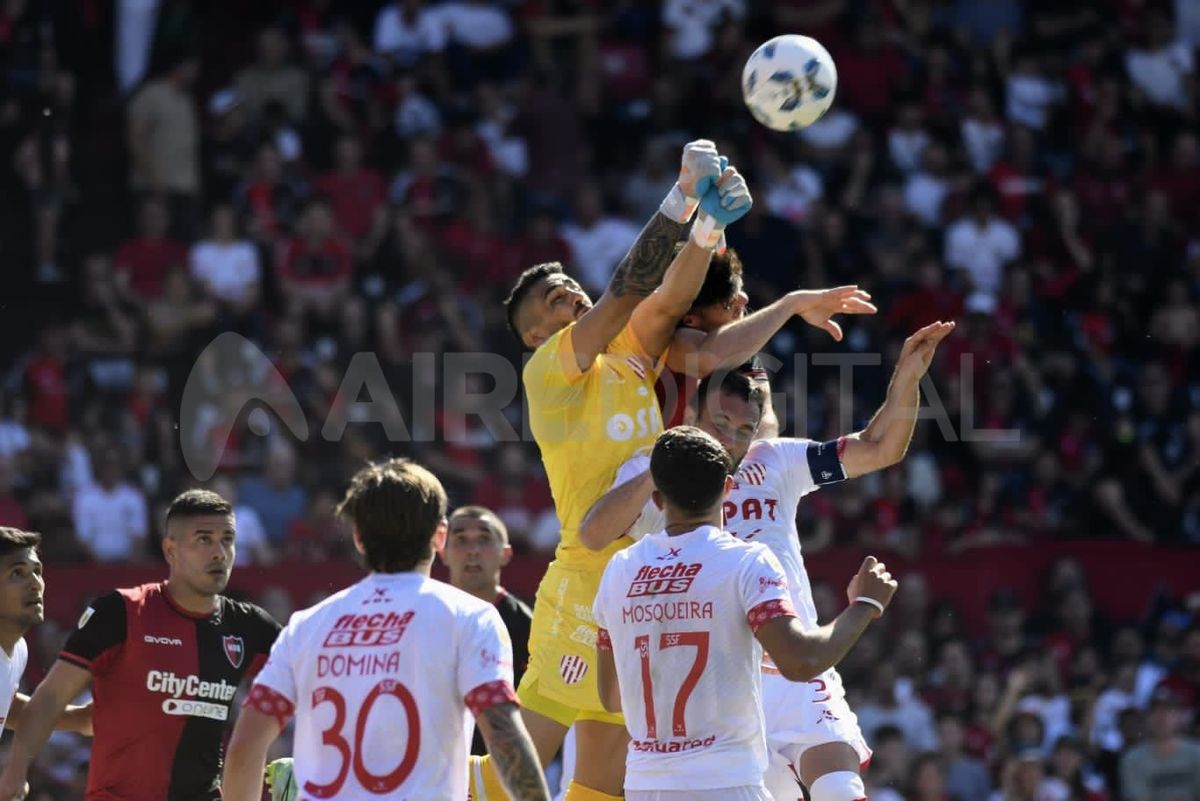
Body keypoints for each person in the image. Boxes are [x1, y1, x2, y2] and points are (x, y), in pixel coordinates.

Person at [584, 320, 956, 801]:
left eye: (742, 429)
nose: (731, 440)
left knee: (841, 791)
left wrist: (906, 381)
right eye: (719, 425)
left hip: (794, 657)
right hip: (724, 686)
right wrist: (664, 461)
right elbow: (593, 533)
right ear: (692, 414)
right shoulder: (661, 473)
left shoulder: (775, 460)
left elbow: (881, 447)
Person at [591, 426, 898, 800]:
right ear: (727, 489)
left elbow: (611, 697)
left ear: (656, 500)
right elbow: (801, 662)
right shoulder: (745, 561)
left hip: (647, 785)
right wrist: (865, 605)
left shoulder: (620, 570)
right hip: (726, 782)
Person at [222, 459, 550, 801]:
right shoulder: (471, 616)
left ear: (359, 538)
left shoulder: (307, 625)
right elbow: (503, 734)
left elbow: (245, 747)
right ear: (440, 537)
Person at [0, 490, 282, 801]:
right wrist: (16, 769)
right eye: (204, 539)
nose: (219, 552)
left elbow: (311, 672)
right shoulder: (122, 612)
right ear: (170, 550)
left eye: (227, 539)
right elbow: (50, 696)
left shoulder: (248, 626)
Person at [439, 505, 535, 755]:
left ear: (506, 554)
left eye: (484, 539)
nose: (472, 551)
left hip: (499, 770)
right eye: (460, 540)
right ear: (443, 552)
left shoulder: (528, 627)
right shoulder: (425, 618)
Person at [0, 528, 91, 736]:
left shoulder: (18, 648)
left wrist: (78, 719)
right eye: (17, 573)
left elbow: (4, 706)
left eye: (37, 571)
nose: (35, 583)